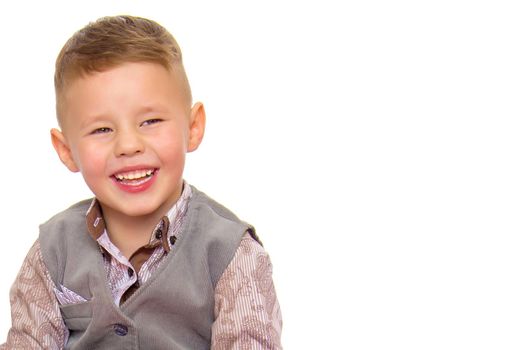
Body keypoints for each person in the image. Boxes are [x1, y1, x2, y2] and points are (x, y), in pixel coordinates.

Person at [0, 15, 282, 349]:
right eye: (102, 129)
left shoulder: (231, 253)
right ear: (67, 151)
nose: (128, 145)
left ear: (192, 128)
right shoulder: (52, 252)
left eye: (150, 121)